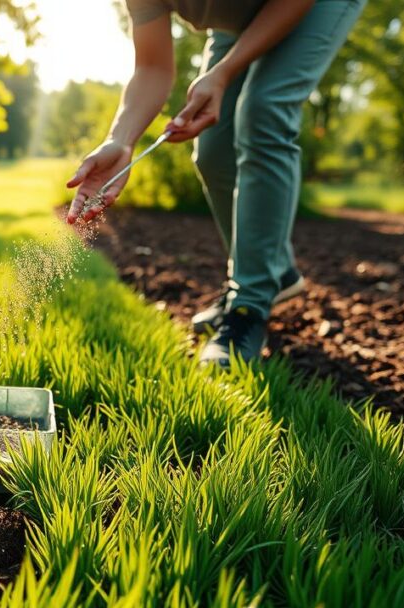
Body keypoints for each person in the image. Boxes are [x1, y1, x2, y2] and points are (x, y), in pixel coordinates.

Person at [66, 0, 364, 368]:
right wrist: (122, 140)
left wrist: (223, 73)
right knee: (213, 149)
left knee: (264, 109)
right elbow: (152, 66)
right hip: (239, 21)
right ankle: (275, 271)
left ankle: (249, 305)